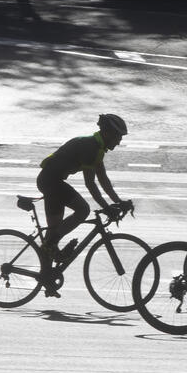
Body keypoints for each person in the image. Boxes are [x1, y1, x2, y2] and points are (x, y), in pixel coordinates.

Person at [36, 113, 131, 297]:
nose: (119, 141)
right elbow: (91, 183)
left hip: (52, 181)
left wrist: (118, 202)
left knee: (53, 232)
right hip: (50, 181)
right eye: (118, 136)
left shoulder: (98, 147)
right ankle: (50, 246)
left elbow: (103, 179)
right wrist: (107, 206)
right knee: (83, 210)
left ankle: (46, 277)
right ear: (108, 133)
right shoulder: (90, 147)